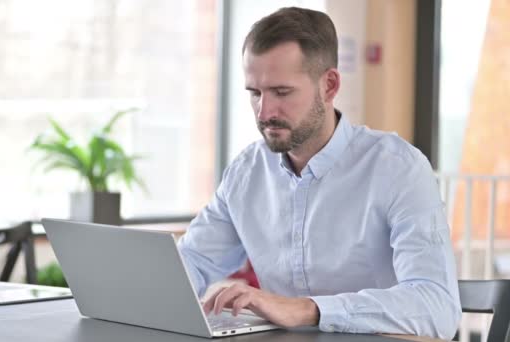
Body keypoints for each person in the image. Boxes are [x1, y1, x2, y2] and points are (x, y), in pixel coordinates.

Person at [177, 7, 461, 340]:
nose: (264, 112)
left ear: (329, 85)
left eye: (282, 92)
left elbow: (438, 308)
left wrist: (308, 309)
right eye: (255, 93)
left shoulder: (398, 169)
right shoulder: (246, 173)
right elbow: (190, 264)